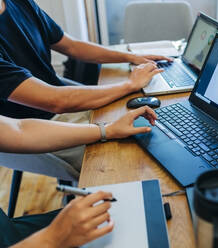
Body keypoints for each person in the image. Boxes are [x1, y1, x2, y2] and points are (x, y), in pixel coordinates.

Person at [0, 0, 171, 172]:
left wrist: (131, 57)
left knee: (159, 128)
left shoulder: (19, 3)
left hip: (66, 108)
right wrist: (129, 85)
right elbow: (55, 101)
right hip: (43, 128)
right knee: (142, 161)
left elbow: (72, 46)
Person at [0, 105, 157, 247]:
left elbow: (19, 129)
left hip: (12, 231)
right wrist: (52, 238)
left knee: (132, 215)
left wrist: (108, 130)